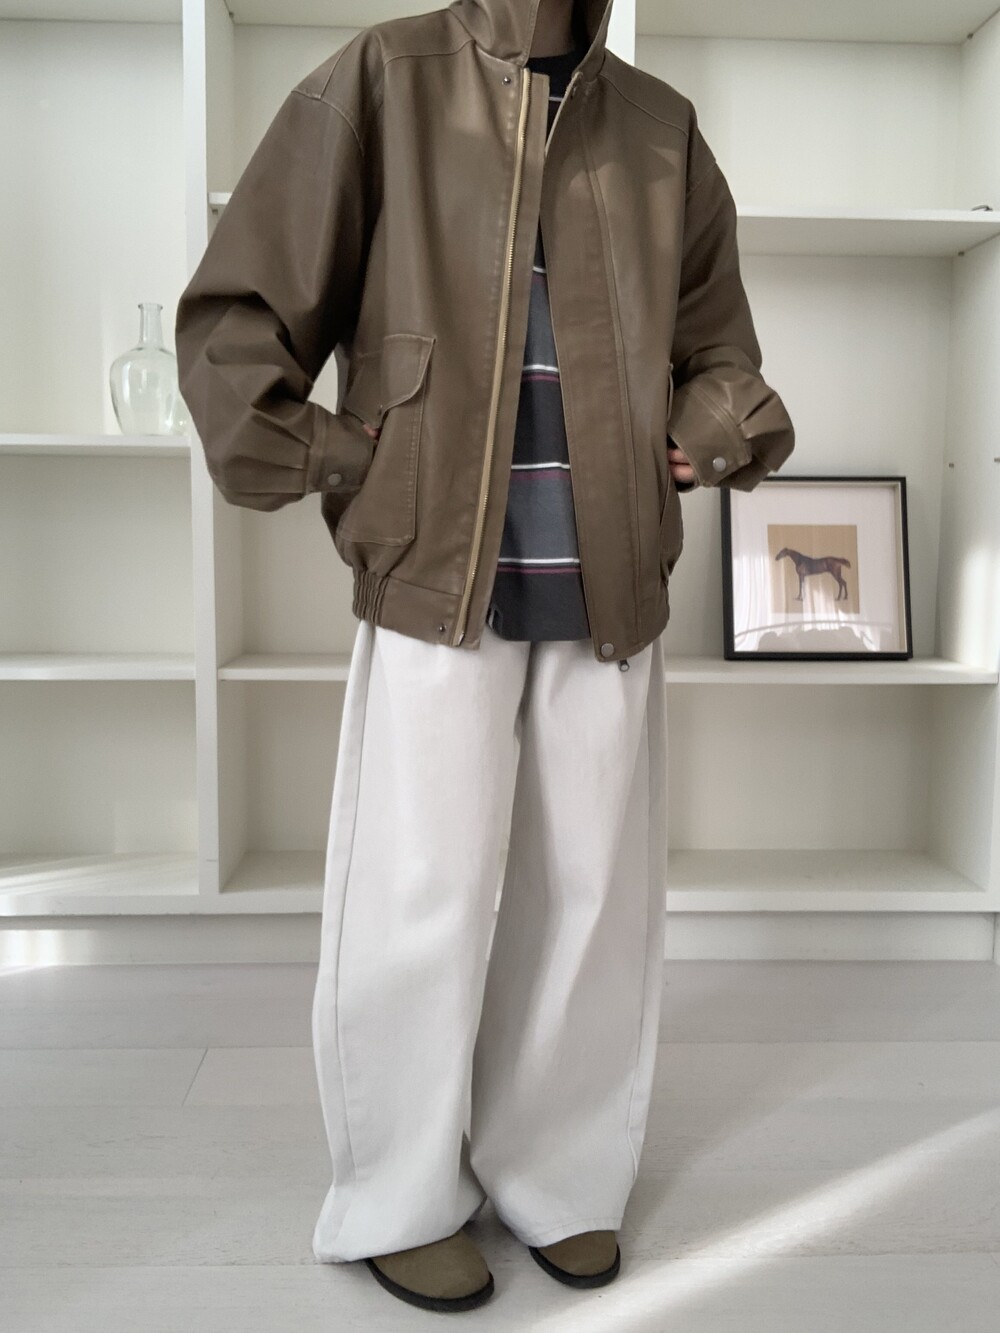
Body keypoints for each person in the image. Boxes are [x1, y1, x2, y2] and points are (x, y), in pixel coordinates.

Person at [174, 0, 795, 1314]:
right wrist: (337, 454)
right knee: (420, 891)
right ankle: (397, 1193)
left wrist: (710, 426)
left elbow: (719, 347)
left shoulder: (660, 128)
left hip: (608, 566)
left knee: (589, 898)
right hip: (434, 566)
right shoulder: (383, 80)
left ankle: (559, 1175)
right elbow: (240, 318)